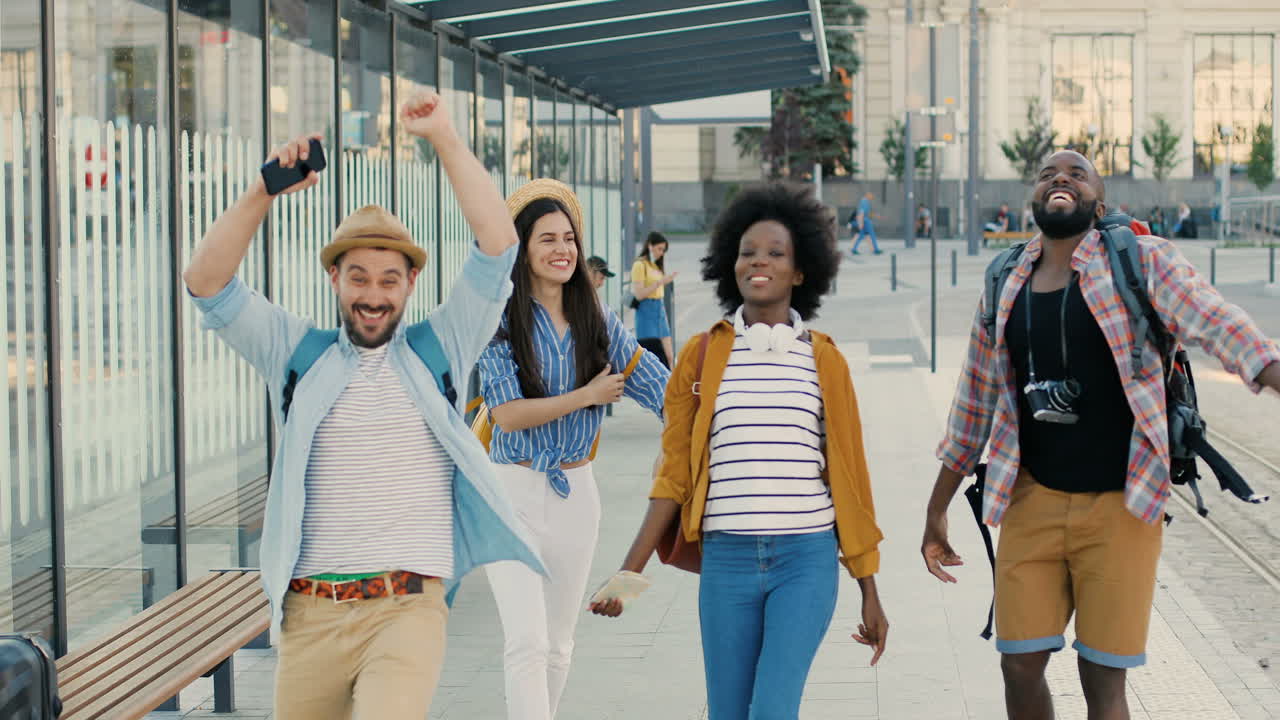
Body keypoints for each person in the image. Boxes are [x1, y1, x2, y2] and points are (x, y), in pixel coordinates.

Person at [182, 93, 542, 719]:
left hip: (407, 609)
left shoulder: (440, 349)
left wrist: (445, 138)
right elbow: (207, 283)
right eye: (358, 277)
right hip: (309, 616)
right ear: (335, 280)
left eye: (388, 279)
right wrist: (263, 192)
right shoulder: (297, 354)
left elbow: (497, 246)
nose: (372, 295)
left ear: (409, 284)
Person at [921, 150, 1280, 720]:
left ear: (1098, 203)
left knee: (1103, 679)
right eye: (1047, 175)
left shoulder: (1141, 263)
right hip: (1030, 500)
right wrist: (936, 510)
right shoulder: (1004, 281)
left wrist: (1269, 369)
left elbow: (1219, 323)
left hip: (1121, 507)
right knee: (1017, 663)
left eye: (1076, 173)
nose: (1060, 178)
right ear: (1033, 201)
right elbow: (973, 405)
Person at [593, 183, 890, 720]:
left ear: (800, 272)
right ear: (730, 263)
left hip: (806, 560)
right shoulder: (701, 355)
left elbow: (851, 477)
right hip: (726, 560)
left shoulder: (825, 362)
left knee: (772, 711)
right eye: (748, 252)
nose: (760, 262)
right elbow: (674, 475)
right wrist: (629, 573)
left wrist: (869, 587)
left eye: (776, 253)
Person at [478, 179, 670, 720]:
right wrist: (585, 396)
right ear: (521, 248)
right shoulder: (501, 321)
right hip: (509, 492)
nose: (562, 250)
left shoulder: (601, 322)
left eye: (569, 238)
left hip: (575, 495)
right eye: (546, 239)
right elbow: (507, 413)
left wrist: (699, 423)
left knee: (559, 645)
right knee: (527, 643)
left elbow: (663, 392)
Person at [630, 231, 678, 368]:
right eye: (659, 249)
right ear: (650, 246)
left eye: (663, 250)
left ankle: (670, 386)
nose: (661, 253)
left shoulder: (655, 265)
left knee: (669, 355)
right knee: (654, 355)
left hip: (659, 308)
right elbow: (639, 294)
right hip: (646, 309)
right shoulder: (640, 265)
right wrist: (660, 282)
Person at [849, 191, 882, 255]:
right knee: (872, 235)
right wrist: (860, 223)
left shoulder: (865, 202)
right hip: (865, 221)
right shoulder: (864, 202)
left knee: (861, 235)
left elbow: (867, 213)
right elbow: (861, 213)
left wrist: (875, 215)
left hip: (864, 220)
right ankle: (876, 250)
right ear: (867, 195)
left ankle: (854, 249)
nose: (872, 197)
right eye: (871, 196)